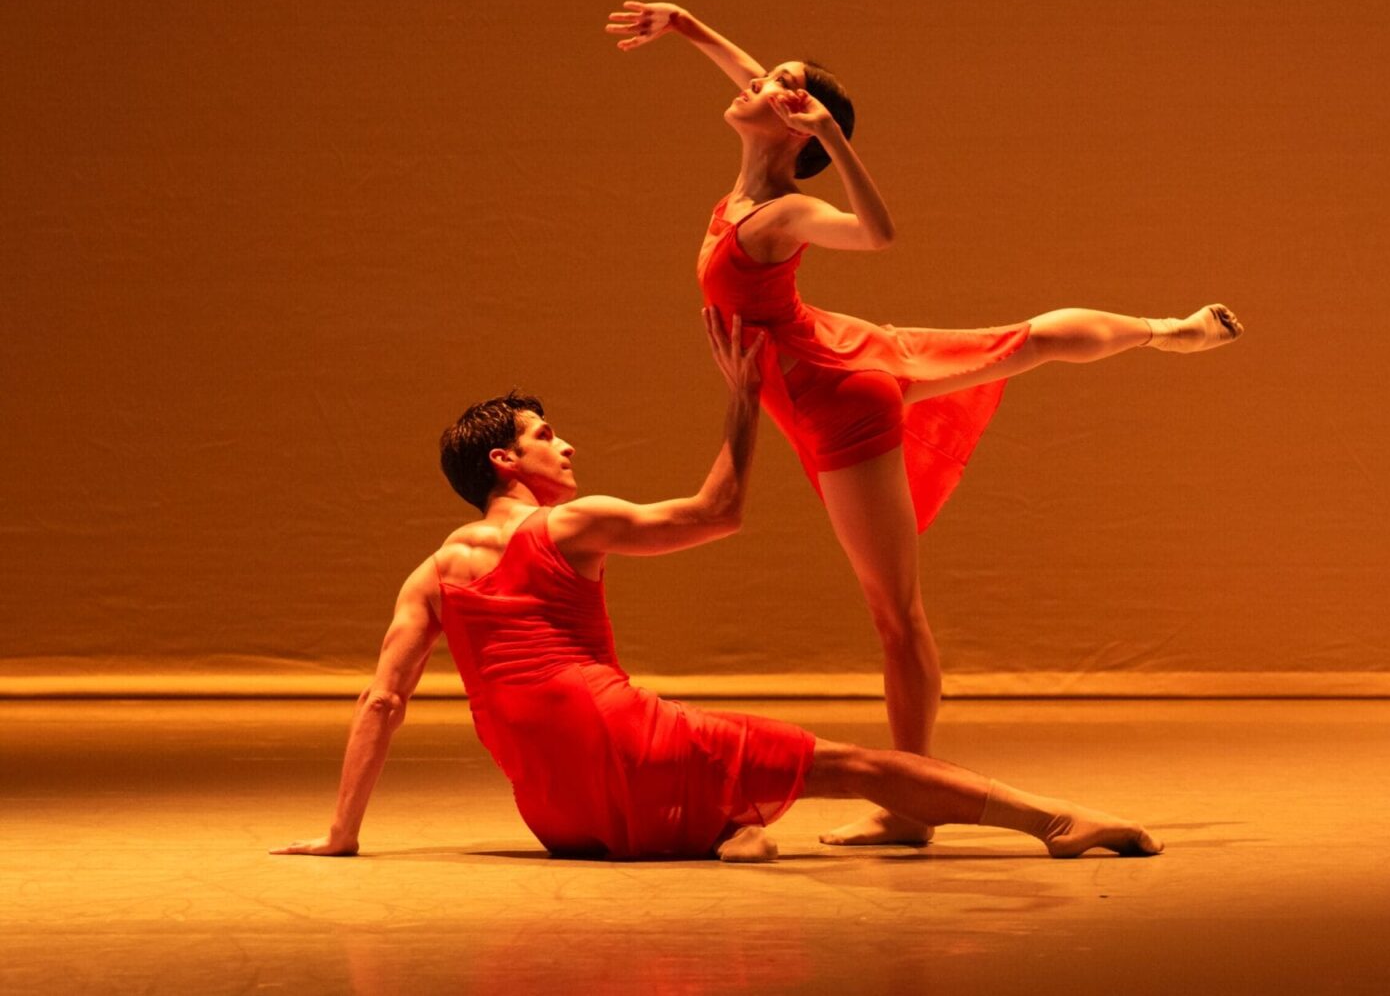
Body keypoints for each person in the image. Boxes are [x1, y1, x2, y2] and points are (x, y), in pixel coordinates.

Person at [606, 0, 1243, 845]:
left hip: (834, 394)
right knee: (1024, 340)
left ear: (796, 128)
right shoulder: (751, 182)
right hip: (832, 346)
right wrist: (687, 28)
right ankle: (1171, 330)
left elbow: (879, 233)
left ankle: (912, 803)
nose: (757, 82)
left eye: (779, 86)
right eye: (764, 78)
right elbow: (755, 81)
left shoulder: (785, 212)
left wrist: (834, 135)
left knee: (896, 613)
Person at [271, 311, 1160, 863]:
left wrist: (344, 833)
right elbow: (718, 512)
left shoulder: (431, 571)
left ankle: (732, 826)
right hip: (624, 743)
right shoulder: (567, 525)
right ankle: (1053, 821)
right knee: (853, 766)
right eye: (548, 435)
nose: (567, 445)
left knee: (730, 772)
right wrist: (742, 396)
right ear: (505, 459)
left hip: (556, 816)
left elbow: (382, 699)